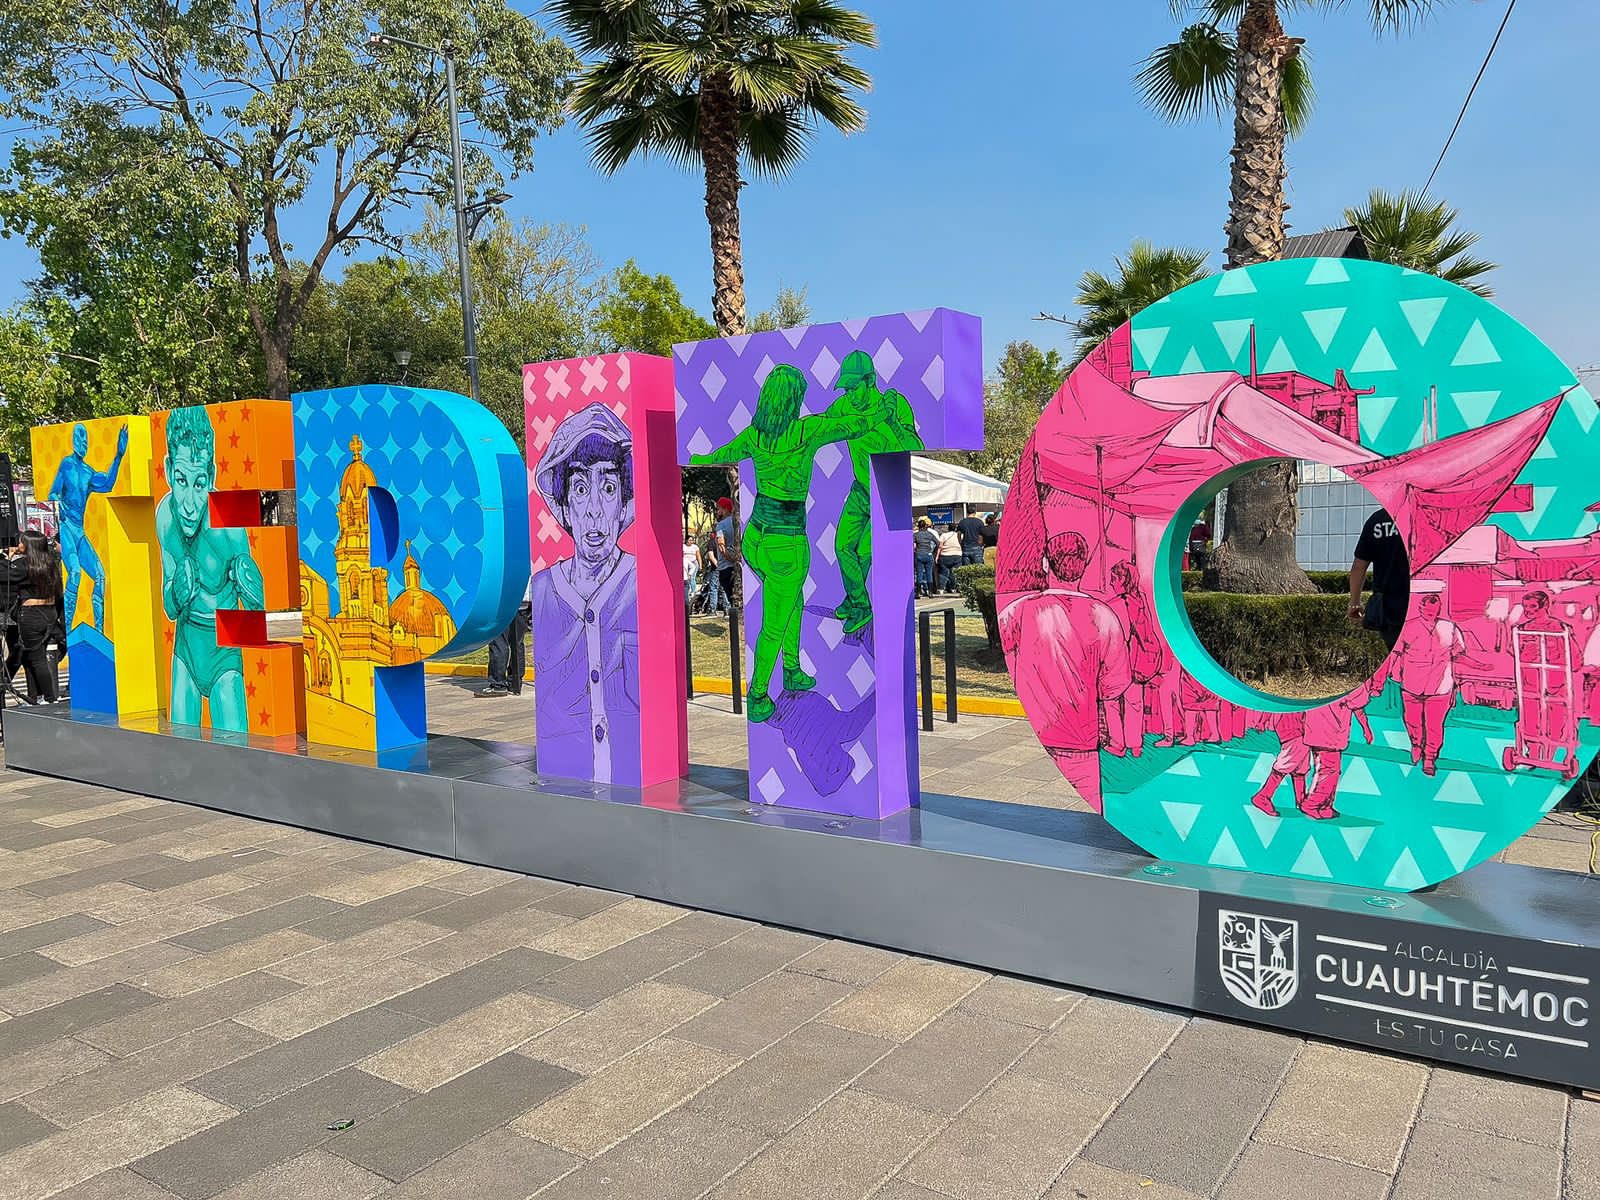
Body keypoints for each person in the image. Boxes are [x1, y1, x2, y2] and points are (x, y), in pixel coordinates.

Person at [690, 364, 870, 723]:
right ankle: (758, 695)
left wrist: (696, 458)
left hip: (755, 538)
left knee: (793, 600)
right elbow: (853, 426)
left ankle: (792, 670)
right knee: (774, 623)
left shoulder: (755, 436)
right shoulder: (806, 430)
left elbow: (717, 454)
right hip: (786, 544)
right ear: (793, 399)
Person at [530, 404, 639, 782]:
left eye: (608, 488)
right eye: (579, 489)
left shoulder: (640, 582)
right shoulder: (543, 589)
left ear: (625, 503)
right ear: (563, 506)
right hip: (567, 775)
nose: (594, 510)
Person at [999, 531, 1130, 811]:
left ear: (1046, 563)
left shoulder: (1018, 612)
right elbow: (1114, 688)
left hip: (1038, 731)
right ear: (1085, 564)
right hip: (1082, 738)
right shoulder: (1104, 616)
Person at [157, 406, 261, 731]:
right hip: (186, 647)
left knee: (236, 750)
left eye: (199, 484)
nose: (189, 501)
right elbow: (169, 607)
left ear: (212, 476)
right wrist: (176, 591)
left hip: (223, 653)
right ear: (169, 468)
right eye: (181, 481)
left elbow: (257, 614)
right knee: (182, 748)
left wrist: (254, 590)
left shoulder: (229, 520)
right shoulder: (165, 516)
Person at [831, 351, 924, 633]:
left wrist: (892, 421)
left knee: (863, 552)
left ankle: (859, 605)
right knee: (841, 546)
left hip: (886, 494)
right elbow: (819, 427)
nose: (849, 393)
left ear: (870, 380)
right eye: (845, 388)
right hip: (860, 490)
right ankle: (857, 600)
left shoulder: (893, 403)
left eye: (853, 386)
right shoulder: (843, 405)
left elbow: (915, 446)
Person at [49, 421, 128, 630]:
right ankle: (67, 628)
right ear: (74, 440)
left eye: (86, 438)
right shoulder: (66, 465)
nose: (84, 442)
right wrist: (58, 501)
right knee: (74, 572)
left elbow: (107, 484)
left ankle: (99, 631)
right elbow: (53, 491)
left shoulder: (87, 471)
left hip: (80, 531)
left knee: (100, 576)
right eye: (80, 437)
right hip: (67, 528)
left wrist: (118, 456)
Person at [1389, 585, 1464, 776]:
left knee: (1434, 726)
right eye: (1428, 611)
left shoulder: (1450, 628)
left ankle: (1430, 757)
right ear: (1420, 609)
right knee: (1412, 721)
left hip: (1440, 687)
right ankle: (1416, 744)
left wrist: (1464, 679)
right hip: (1412, 684)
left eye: (1435, 611)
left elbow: (1459, 655)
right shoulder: (1408, 627)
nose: (1432, 614)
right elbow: (1395, 652)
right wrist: (1387, 674)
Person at [0, 533, 64, 703]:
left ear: (27, 545)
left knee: (36, 658)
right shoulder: (48, 562)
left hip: (32, 614)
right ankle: (39, 697)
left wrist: (6, 557)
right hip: (49, 612)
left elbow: (5, 575)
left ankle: (50, 698)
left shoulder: (24, 563)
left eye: (21, 541)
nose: (18, 543)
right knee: (35, 655)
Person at [1348, 508, 1409, 650]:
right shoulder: (1426, 515)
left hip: (1389, 611)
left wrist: (1354, 603)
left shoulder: (1377, 520)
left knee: (1398, 662)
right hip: (1426, 606)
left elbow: (1359, 567)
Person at [481, 577, 532, 697]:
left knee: (498, 642)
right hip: (523, 601)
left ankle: (498, 683)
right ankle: (515, 683)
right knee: (517, 643)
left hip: (502, 603)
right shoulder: (525, 559)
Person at [707, 496, 736, 616]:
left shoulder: (721, 525)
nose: (717, 512)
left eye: (718, 509)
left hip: (726, 566)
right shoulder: (737, 521)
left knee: (732, 599)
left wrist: (731, 559)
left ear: (724, 509)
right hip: (737, 566)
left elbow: (721, 546)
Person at [912, 517, 938, 599]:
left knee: (919, 573)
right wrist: (933, 551)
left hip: (919, 554)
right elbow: (938, 543)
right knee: (929, 573)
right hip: (929, 554)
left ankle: (918, 593)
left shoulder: (916, 535)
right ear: (926, 526)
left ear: (919, 526)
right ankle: (930, 593)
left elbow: (911, 544)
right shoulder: (930, 534)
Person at [936, 524, 962, 594]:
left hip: (945, 556)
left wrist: (937, 556)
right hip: (957, 555)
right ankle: (954, 588)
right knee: (954, 573)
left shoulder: (944, 535)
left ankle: (941, 589)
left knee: (943, 573)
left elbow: (940, 547)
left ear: (948, 528)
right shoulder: (959, 535)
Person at [682, 534, 700, 609]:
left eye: (692, 540)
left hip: (693, 562)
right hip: (685, 563)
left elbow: (698, 556)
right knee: (687, 579)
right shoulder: (683, 546)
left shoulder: (695, 547)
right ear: (686, 540)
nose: (691, 541)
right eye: (689, 540)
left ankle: (693, 591)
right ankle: (688, 591)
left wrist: (700, 565)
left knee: (692, 577)